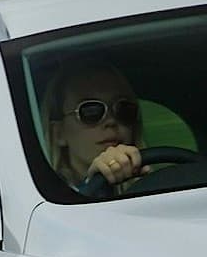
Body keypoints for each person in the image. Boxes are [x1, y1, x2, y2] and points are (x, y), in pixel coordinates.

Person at [42, 60, 146, 197]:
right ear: (59, 133)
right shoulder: (45, 198)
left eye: (123, 109)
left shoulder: (152, 181)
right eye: (91, 111)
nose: (111, 121)